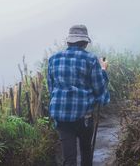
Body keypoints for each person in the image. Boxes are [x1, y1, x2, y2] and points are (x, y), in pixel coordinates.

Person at [47, 25, 110, 166]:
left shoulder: (53, 59)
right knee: (86, 152)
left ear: (69, 41)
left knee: (69, 159)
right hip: (84, 117)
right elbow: (100, 90)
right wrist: (104, 70)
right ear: (85, 42)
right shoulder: (91, 60)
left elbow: (51, 89)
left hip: (61, 116)